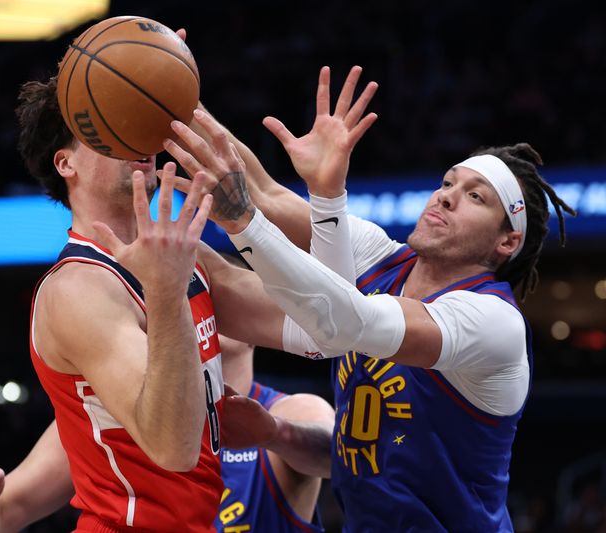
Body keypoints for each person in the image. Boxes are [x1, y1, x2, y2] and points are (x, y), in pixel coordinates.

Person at [163, 65, 576, 531]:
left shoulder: (491, 321)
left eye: (475, 197)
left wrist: (312, 201)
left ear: (506, 242)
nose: (445, 198)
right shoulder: (380, 257)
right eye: (447, 183)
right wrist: (170, 102)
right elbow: (261, 192)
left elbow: (345, 324)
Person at [9, 74, 335, 533]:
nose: (133, 134)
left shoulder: (188, 255)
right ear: (66, 163)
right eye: (107, 128)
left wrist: (322, 198)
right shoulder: (77, 288)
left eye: (137, 119)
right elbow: (173, 445)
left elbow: (324, 323)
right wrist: (166, 294)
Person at [0, 331, 335, 533]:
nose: (204, 306)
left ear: (251, 325)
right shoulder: (108, 413)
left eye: (220, 293)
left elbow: (341, 460)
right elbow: (1, 515)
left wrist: (273, 434)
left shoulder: (291, 410)